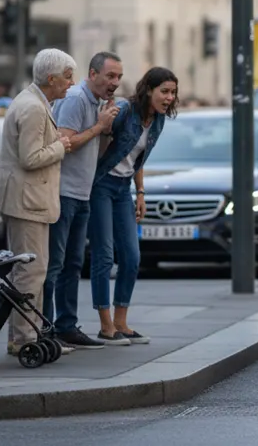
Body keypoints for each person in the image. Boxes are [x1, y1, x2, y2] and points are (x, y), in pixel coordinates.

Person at [0, 49, 76, 358]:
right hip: (27, 201)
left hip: (28, 199)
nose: (71, 83)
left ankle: (26, 334)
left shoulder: (33, 101)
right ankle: (25, 338)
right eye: (68, 77)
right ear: (51, 79)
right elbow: (30, 158)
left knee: (31, 270)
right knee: (30, 272)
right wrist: (61, 146)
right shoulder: (34, 108)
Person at [89, 67, 178, 344]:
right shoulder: (125, 111)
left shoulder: (158, 120)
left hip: (123, 189)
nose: (169, 98)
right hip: (100, 185)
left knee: (131, 256)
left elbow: (138, 158)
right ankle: (106, 326)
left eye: (173, 93)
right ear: (148, 90)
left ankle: (121, 322)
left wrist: (140, 192)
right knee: (104, 256)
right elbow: (98, 144)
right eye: (164, 91)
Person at [42, 52, 122, 351]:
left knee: (73, 264)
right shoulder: (76, 99)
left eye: (119, 77)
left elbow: (92, 150)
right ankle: (45, 327)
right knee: (55, 264)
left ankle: (66, 325)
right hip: (63, 192)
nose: (115, 82)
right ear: (92, 74)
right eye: (110, 76)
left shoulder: (99, 104)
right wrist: (99, 127)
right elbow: (65, 143)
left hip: (81, 193)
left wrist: (106, 131)